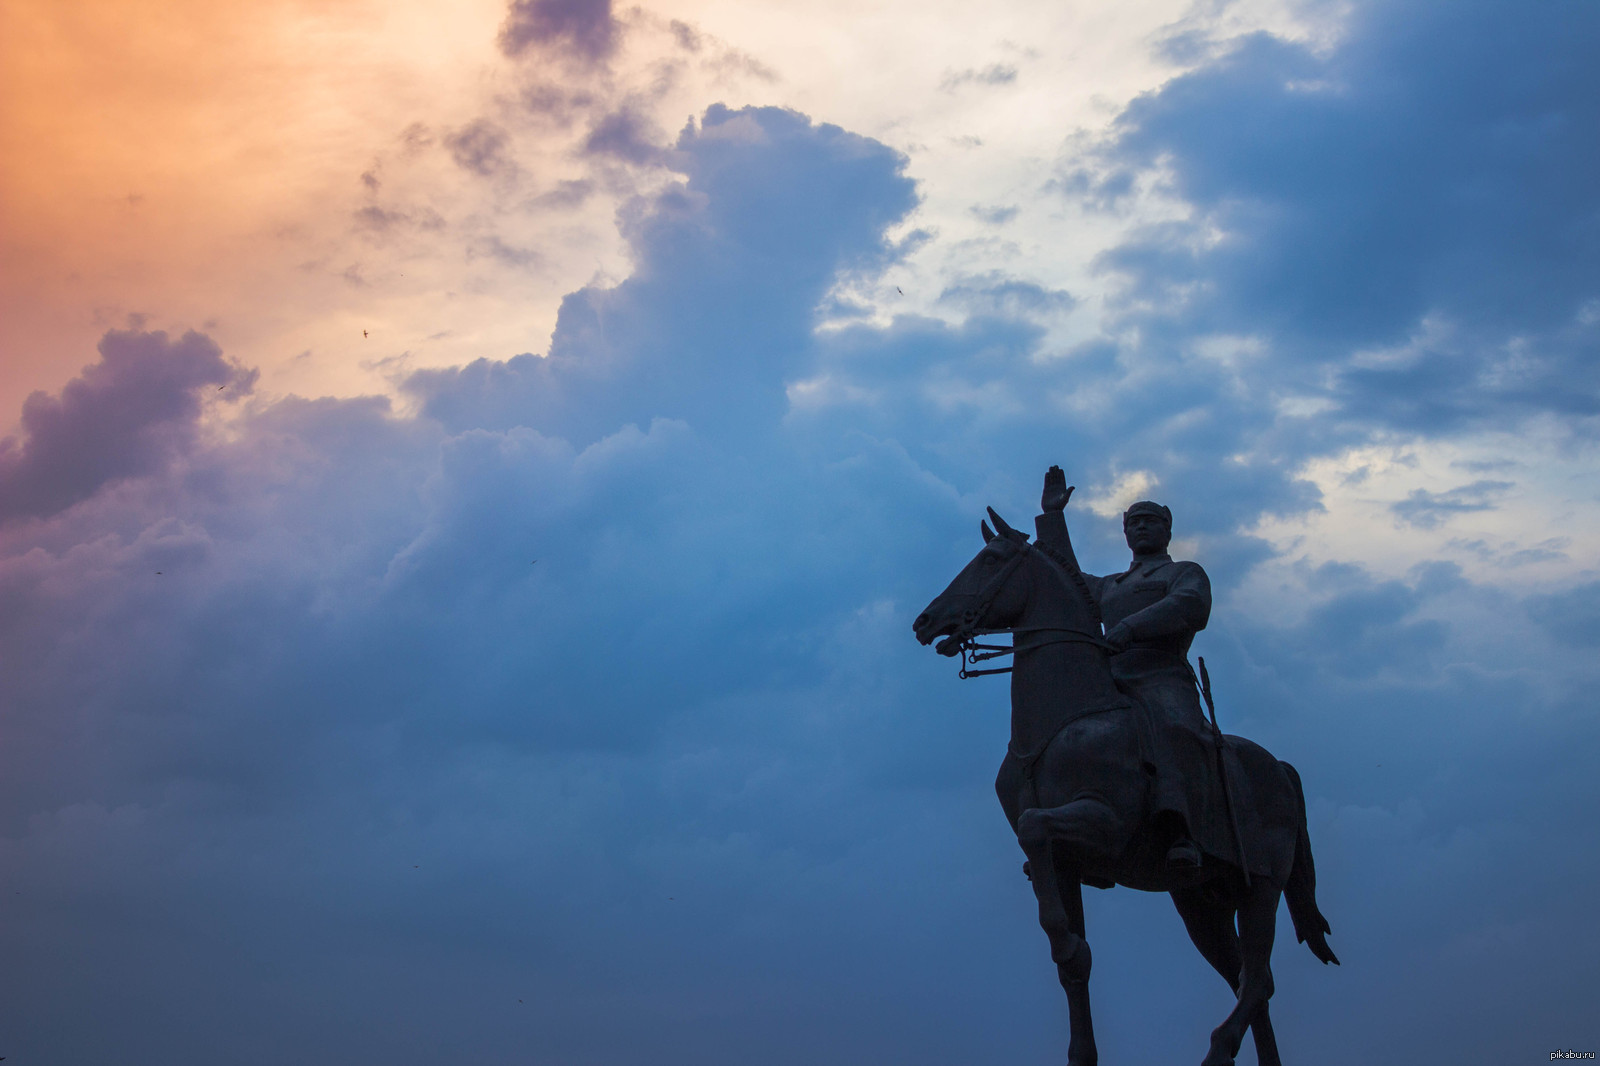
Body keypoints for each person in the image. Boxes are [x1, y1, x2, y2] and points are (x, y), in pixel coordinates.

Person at [1034, 465, 1217, 872]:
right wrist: (1052, 517)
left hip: (1161, 676)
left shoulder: (1182, 572)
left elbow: (1189, 605)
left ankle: (1177, 828)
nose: (1141, 528)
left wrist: (1131, 627)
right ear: (1125, 532)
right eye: (1134, 522)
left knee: (1172, 729)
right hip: (1110, 680)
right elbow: (1064, 579)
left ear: (1167, 530)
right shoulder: (1110, 585)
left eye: (1151, 521)